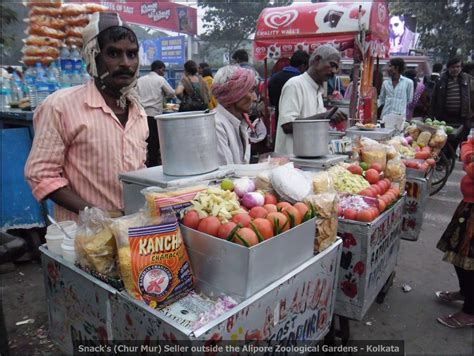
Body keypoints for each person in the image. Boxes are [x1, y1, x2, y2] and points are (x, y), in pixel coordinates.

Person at [24, 12, 148, 222]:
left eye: (132, 54)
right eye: (114, 54)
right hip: (82, 239)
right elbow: (41, 175)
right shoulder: (60, 106)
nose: (126, 63)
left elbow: (137, 170)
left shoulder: (138, 111)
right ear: (93, 57)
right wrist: (95, 214)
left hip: (129, 234)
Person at [274, 44, 347, 155]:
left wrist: (329, 119)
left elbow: (315, 124)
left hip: (309, 158)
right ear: (317, 60)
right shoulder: (295, 85)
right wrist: (324, 116)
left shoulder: (317, 90)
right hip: (291, 162)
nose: (334, 71)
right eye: (332, 65)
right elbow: (287, 125)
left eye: (336, 68)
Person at [435, 137, 474, 328]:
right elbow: (468, 143)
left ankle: (470, 311)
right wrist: (469, 155)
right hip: (469, 203)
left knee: (470, 262)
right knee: (458, 255)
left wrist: (469, 160)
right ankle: (466, 292)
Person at [211, 65, 257, 165]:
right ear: (234, 95)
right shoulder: (216, 125)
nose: (255, 98)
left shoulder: (241, 122)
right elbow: (226, 173)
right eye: (251, 91)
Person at [431, 56, 474, 152]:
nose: (455, 69)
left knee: (459, 138)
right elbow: (434, 99)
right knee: (443, 139)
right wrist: (430, 115)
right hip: (444, 116)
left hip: (461, 116)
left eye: (458, 67)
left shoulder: (467, 79)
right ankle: (445, 159)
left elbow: (472, 96)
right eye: (453, 67)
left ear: (461, 67)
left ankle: (450, 155)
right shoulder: (440, 80)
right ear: (448, 67)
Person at [137, 60, 175, 167]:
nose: (164, 72)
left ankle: (143, 163)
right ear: (159, 69)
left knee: (144, 142)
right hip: (154, 116)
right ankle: (153, 166)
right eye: (163, 70)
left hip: (141, 116)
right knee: (154, 144)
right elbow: (172, 93)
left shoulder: (140, 80)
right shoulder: (160, 80)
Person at [268, 50, 309, 122]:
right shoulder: (302, 81)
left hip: (279, 119)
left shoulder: (274, 78)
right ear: (303, 66)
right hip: (298, 123)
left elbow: (272, 102)